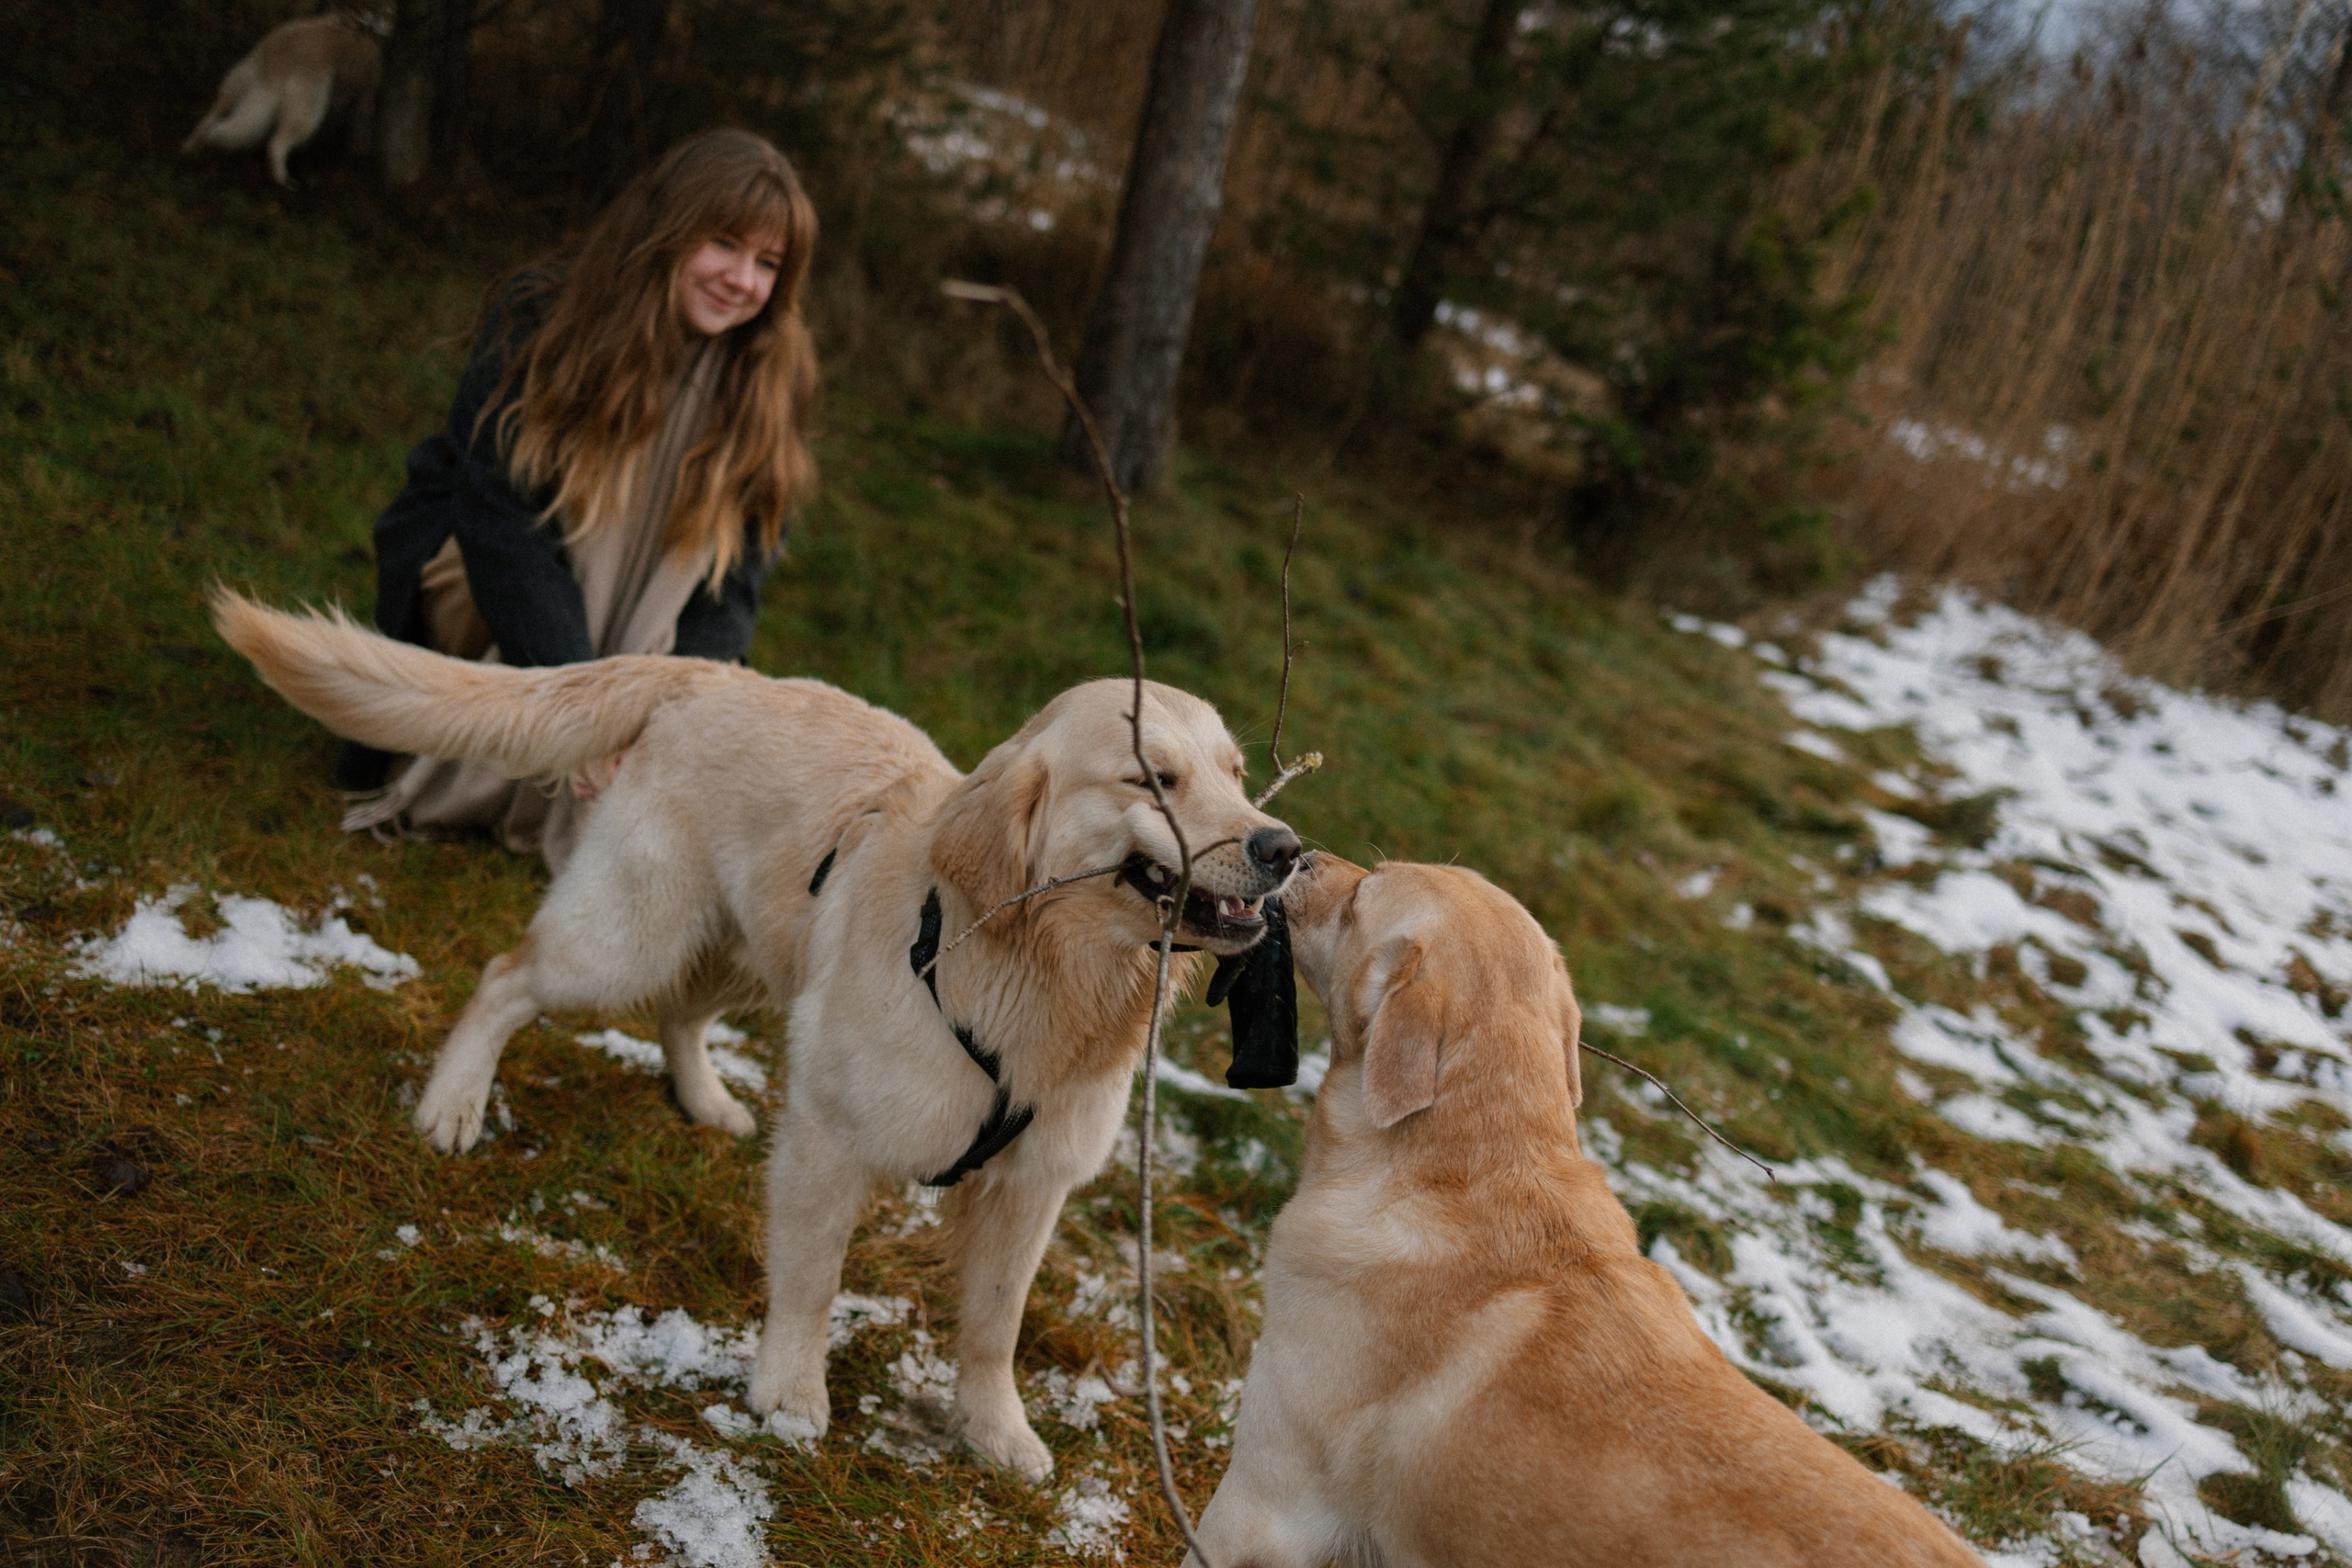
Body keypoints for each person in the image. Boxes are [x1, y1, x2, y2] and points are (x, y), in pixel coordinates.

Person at [340, 128, 820, 870]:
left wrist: (668, 726)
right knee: (528, 559)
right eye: (723, 243)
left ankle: (620, 775)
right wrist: (587, 716)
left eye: (768, 264)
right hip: (495, 595)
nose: (741, 279)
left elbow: (729, 594)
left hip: (646, 640)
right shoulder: (545, 315)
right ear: (668, 229)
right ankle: (497, 756)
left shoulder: (770, 380)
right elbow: (497, 519)